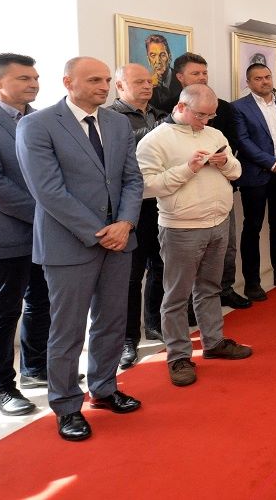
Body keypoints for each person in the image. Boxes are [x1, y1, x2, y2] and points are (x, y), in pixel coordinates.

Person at [16, 56, 144, 442]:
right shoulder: (37, 125)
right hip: (68, 244)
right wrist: (100, 232)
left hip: (120, 240)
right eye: (94, 80)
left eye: (106, 80)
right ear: (68, 82)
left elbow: (132, 178)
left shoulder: (117, 123)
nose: (103, 87)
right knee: (67, 330)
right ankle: (67, 405)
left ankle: (104, 388)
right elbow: (48, 191)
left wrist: (125, 223)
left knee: (112, 321)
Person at [136, 84, 252, 387]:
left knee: (210, 288)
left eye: (211, 115)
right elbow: (147, 186)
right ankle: (178, 357)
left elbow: (237, 171)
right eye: (201, 115)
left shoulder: (214, 134)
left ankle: (213, 342)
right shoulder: (155, 140)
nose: (206, 121)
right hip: (181, 227)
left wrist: (226, 163)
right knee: (176, 295)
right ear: (181, 107)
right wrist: (188, 169)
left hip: (218, 221)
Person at [0, 53, 49, 417]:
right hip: (4, 234)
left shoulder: (40, 120)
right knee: (3, 312)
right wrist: (47, 213)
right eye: (24, 78)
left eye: (35, 78)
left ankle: (36, 368)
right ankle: (0, 388)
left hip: (45, 234)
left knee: (42, 302)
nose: (33, 84)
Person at [157, 53, 250, 310]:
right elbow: (155, 174)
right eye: (195, 73)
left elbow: (233, 147)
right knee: (183, 266)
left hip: (220, 192)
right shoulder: (167, 111)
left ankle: (225, 290)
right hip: (183, 206)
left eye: (204, 73)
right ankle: (186, 306)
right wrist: (191, 165)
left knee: (226, 249)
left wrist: (223, 160)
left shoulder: (224, 109)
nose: (202, 77)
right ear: (180, 77)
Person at [109, 63, 166, 369]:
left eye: (149, 81)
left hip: (161, 202)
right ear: (120, 86)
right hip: (129, 208)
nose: (147, 86)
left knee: (160, 266)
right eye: (139, 82)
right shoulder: (110, 118)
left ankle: (154, 323)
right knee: (130, 277)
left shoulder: (160, 115)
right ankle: (128, 339)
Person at [234, 63, 276, 300]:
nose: (264, 81)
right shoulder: (239, 108)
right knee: (252, 228)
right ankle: (252, 283)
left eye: (267, 76)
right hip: (255, 176)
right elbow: (243, 141)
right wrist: (270, 163)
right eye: (258, 78)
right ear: (248, 82)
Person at [146, 34, 180, 113]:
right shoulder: (146, 83)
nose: (158, 61)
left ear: (169, 57)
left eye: (162, 55)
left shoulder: (181, 79)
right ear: (148, 60)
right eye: (153, 55)